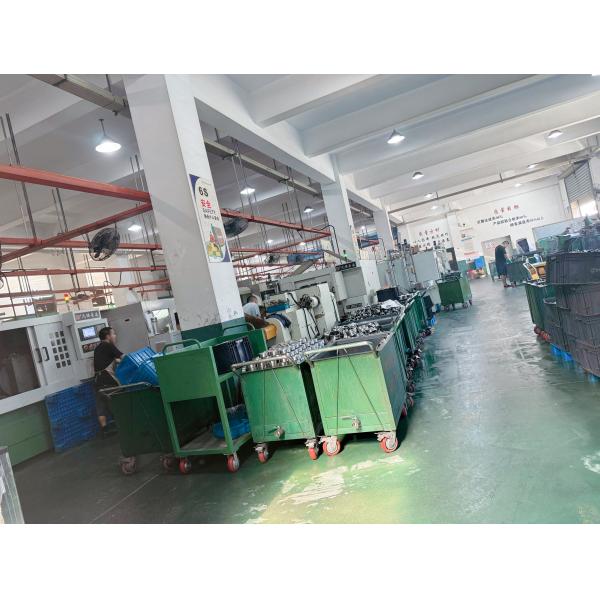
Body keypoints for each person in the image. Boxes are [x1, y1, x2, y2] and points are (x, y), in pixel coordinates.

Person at [93, 327, 123, 436]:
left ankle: (104, 430)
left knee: (101, 406)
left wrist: (116, 360)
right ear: (108, 336)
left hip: (98, 382)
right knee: (117, 404)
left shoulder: (97, 348)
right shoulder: (109, 345)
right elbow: (123, 357)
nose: (115, 336)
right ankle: (122, 426)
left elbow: (108, 360)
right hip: (109, 381)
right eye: (113, 334)